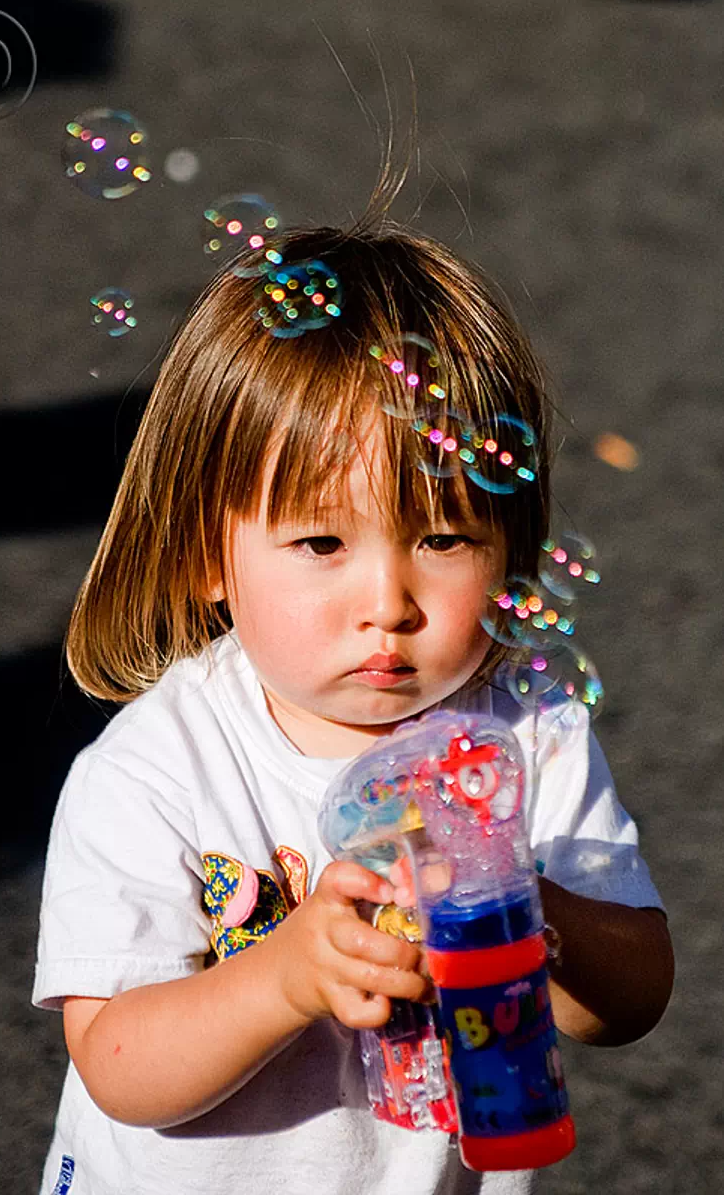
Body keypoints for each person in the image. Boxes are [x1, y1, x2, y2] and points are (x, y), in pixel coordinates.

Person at [33, 216, 674, 1195]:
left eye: (444, 538)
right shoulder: (156, 768)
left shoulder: (522, 736)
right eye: (321, 544)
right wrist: (285, 976)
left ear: (511, 549)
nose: (387, 603)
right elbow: (118, 1065)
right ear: (207, 555)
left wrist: (525, 906)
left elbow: (630, 998)